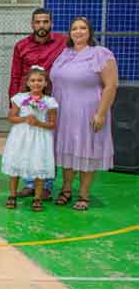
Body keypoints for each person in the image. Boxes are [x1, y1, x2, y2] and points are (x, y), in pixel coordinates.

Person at [51, 17, 118, 211]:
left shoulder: (101, 54)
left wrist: (101, 113)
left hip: (88, 111)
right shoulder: (64, 54)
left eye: (83, 28)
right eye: (74, 28)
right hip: (64, 111)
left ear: (90, 32)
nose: (78, 32)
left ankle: (84, 194)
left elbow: (111, 85)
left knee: (87, 151)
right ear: (69, 33)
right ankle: (66, 189)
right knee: (68, 150)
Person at [10, 8, 66, 199]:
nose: (42, 25)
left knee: (46, 142)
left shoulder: (62, 41)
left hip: (50, 99)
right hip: (28, 100)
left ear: (51, 23)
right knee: (29, 141)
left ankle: (47, 185)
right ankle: (29, 183)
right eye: (38, 22)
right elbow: (16, 73)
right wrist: (15, 101)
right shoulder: (21, 46)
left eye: (45, 22)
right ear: (32, 24)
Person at [2, 67, 57, 212]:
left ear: (45, 83)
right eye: (33, 80)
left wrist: (39, 123)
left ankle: (37, 198)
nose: (36, 83)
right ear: (27, 82)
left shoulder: (50, 101)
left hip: (40, 137)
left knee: (39, 164)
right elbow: (11, 117)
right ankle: (12, 195)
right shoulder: (20, 98)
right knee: (16, 163)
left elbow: (52, 123)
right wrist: (25, 118)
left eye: (40, 80)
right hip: (21, 136)